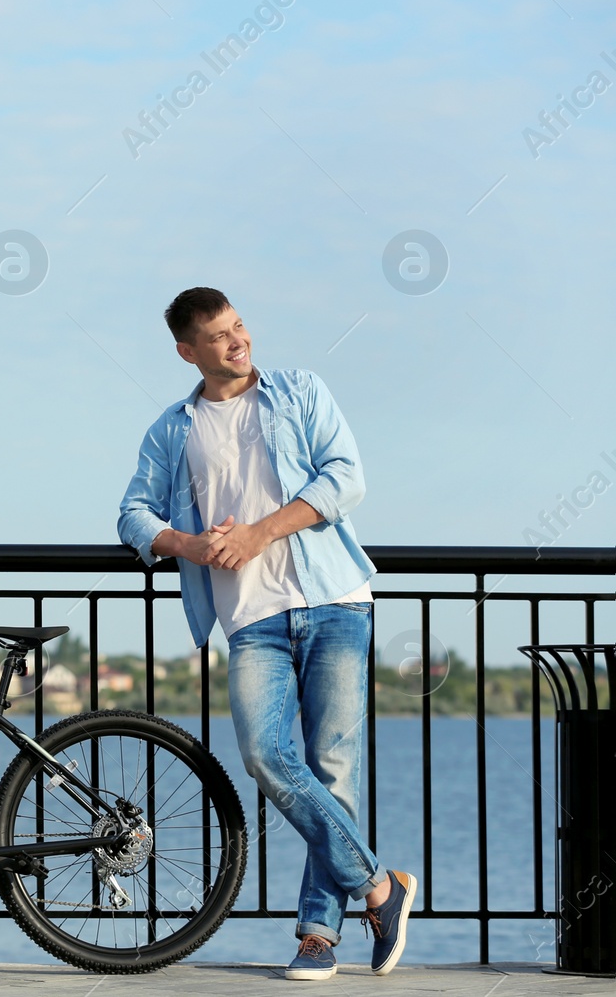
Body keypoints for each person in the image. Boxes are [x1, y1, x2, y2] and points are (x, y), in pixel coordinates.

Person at [116, 288, 414, 980]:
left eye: (239, 325)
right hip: (252, 621)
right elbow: (132, 512)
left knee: (332, 769)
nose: (237, 341)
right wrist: (189, 543)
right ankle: (379, 886)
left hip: (336, 599)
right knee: (266, 755)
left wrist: (258, 532)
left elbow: (347, 477)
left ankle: (319, 933)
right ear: (188, 351)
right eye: (218, 336)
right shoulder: (173, 429)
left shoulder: (300, 392)